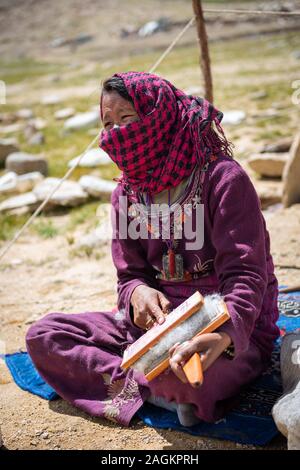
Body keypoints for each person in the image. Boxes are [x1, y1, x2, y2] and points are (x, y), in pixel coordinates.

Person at [26, 72, 280, 427]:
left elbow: (245, 276)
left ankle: (158, 385)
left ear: (158, 117)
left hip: (228, 325)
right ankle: (160, 389)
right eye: (108, 124)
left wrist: (221, 337)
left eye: (127, 120)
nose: (116, 134)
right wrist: (139, 294)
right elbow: (129, 276)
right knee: (43, 336)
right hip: (156, 330)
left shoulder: (223, 180)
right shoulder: (126, 195)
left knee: (186, 373)